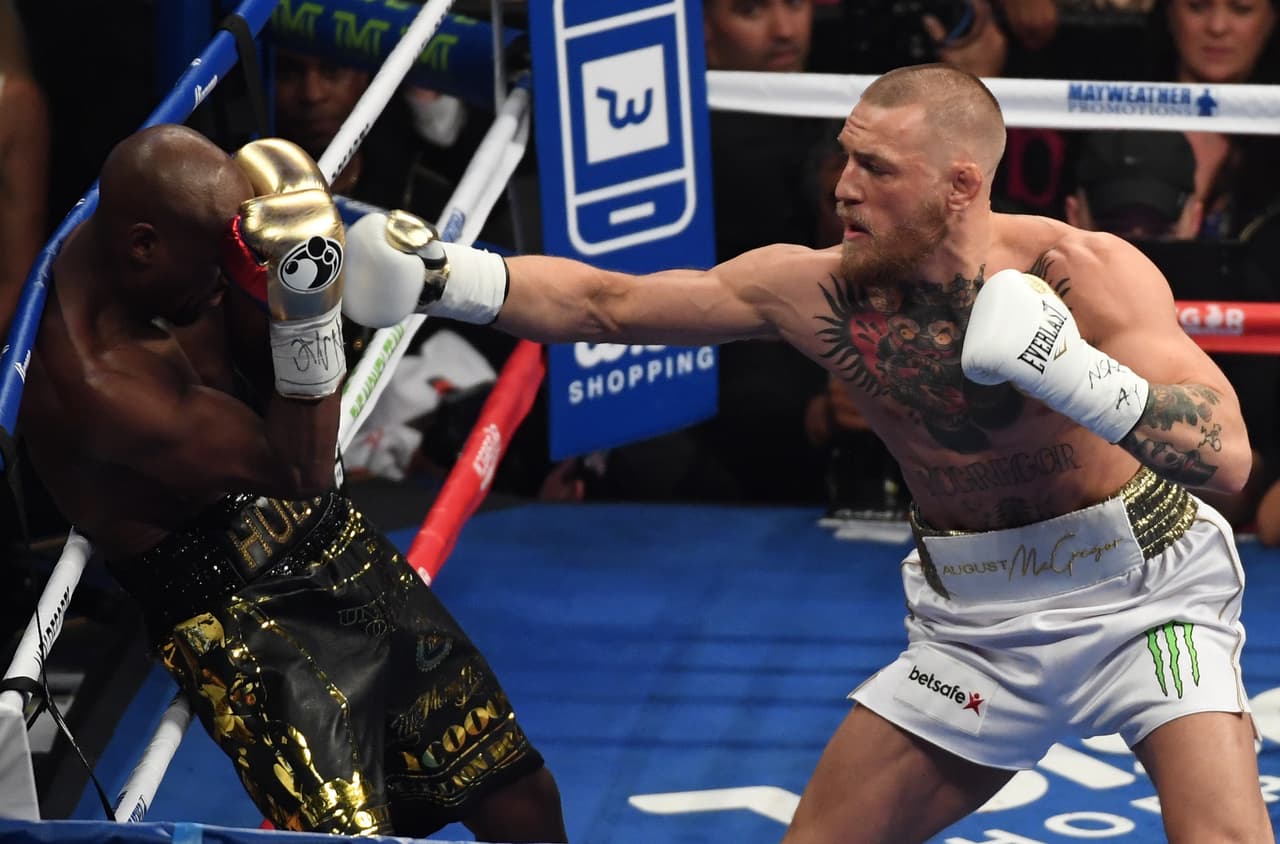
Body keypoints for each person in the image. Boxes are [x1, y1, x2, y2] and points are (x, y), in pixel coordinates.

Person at [345, 63, 1272, 843]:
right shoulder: (812, 292)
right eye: (844, 157)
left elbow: (1226, 456)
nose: (843, 186)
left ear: (960, 183)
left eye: (875, 167)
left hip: (1143, 594)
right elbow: (605, 304)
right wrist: (447, 275)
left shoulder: (1079, 272)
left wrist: (1067, 369)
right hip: (978, 623)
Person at [18, 124, 567, 842]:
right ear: (144, 247)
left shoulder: (178, 250)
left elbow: (265, 380)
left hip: (330, 541)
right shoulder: (94, 382)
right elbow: (299, 467)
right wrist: (306, 304)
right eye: (213, 265)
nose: (223, 275)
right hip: (235, 619)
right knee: (350, 837)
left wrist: (282, 273)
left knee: (511, 784)